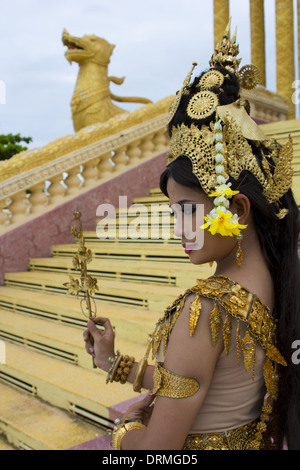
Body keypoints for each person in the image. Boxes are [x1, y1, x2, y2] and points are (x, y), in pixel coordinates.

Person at [83, 24, 300, 450]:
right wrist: (114, 363)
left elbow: (157, 452)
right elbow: (203, 382)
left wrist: (125, 431)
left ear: (236, 209)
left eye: (186, 211)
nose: (178, 228)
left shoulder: (206, 310)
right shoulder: (277, 281)